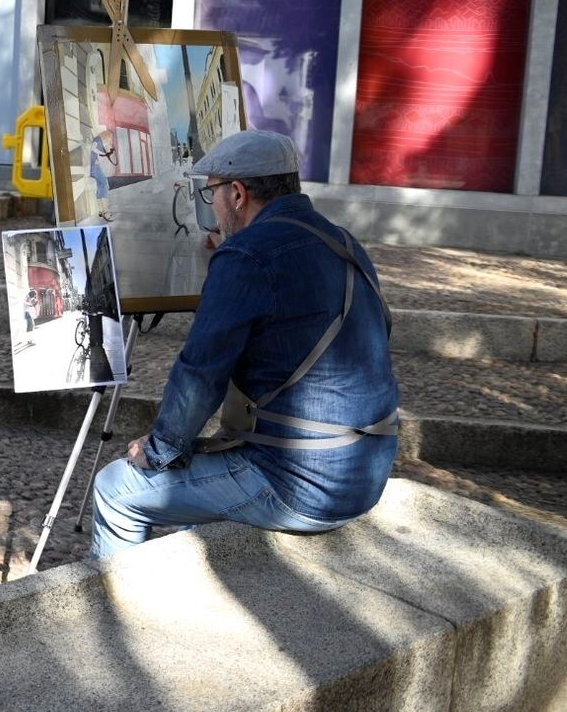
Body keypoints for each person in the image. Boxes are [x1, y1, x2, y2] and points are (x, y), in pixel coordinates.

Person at [87, 130, 398, 559]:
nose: (209, 206)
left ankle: (110, 621)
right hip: (368, 467)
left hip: (305, 485)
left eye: (210, 191)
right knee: (199, 501)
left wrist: (158, 451)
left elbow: (200, 374)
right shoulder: (342, 241)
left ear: (237, 194)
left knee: (116, 489)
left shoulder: (246, 258)